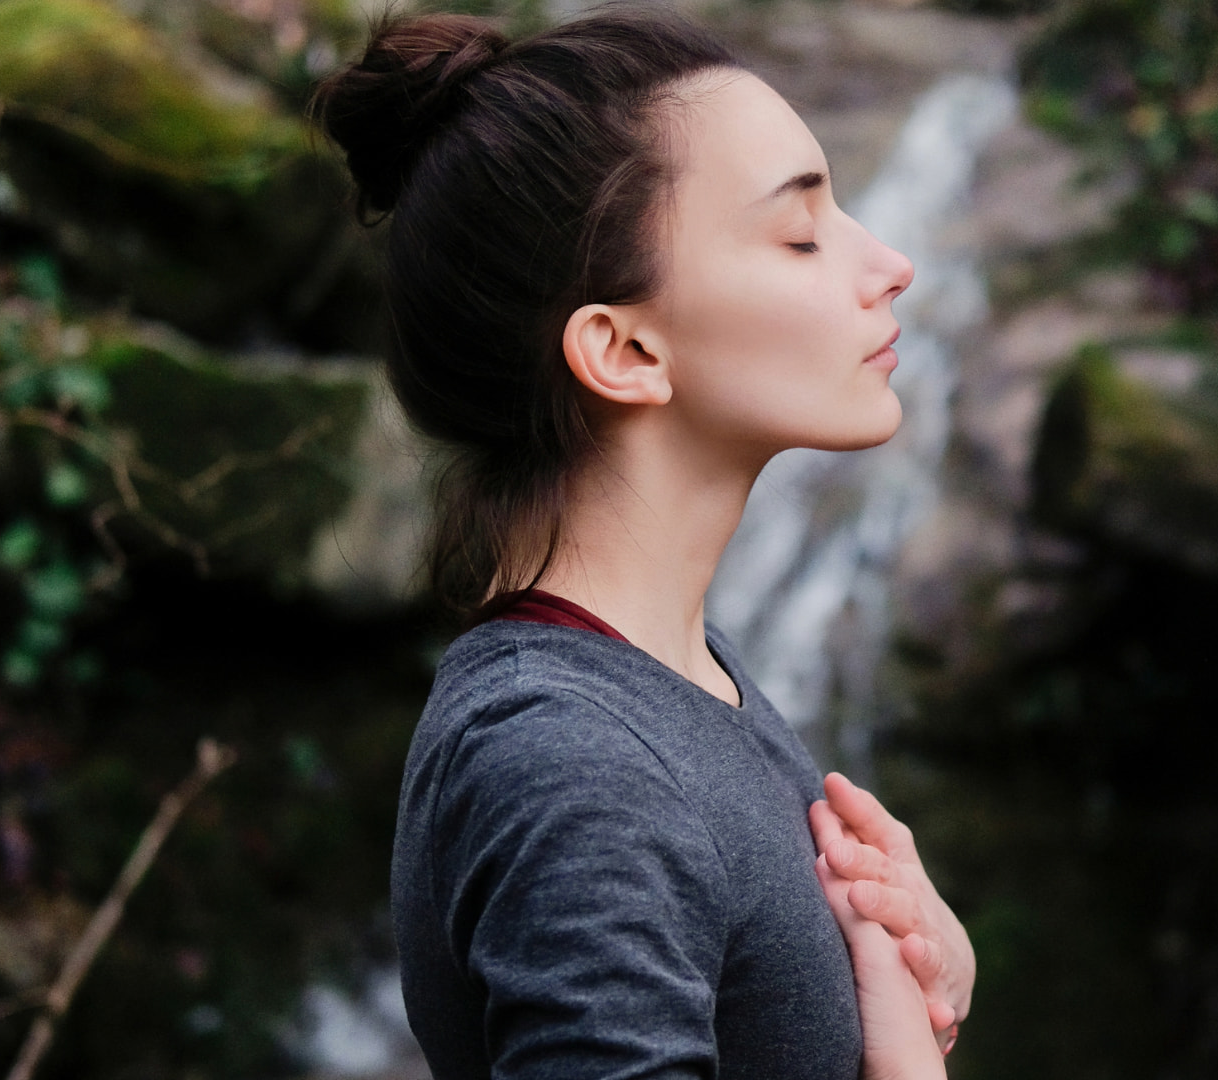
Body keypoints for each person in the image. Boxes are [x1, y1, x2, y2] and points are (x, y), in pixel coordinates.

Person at [312, 7, 976, 1078]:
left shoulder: (679, 681)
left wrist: (916, 992)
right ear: (621, 350)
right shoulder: (570, 763)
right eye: (801, 233)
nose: (890, 262)